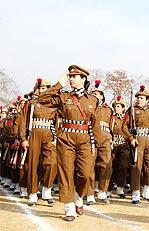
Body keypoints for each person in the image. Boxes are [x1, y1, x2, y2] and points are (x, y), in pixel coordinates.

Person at [37, 65, 100, 221]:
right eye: (70, 76)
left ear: (83, 79)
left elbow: (95, 124)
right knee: (66, 172)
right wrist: (58, 84)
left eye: (75, 76)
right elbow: (41, 99)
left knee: (86, 174)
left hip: (85, 139)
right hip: (66, 138)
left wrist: (95, 144)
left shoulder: (93, 100)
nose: (71, 78)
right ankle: (69, 208)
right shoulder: (63, 96)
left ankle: (78, 196)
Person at [20, 78, 58, 206]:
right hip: (34, 133)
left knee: (52, 163)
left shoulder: (54, 103)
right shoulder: (31, 103)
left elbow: (58, 122)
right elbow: (23, 121)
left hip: (49, 134)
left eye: (45, 88)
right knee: (33, 164)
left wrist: (56, 137)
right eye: (41, 88)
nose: (43, 90)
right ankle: (32, 194)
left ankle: (46, 190)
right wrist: (24, 139)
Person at [127, 85, 149, 204]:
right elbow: (125, 126)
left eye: (142, 98)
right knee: (136, 166)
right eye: (138, 97)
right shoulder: (132, 110)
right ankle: (135, 192)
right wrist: (131, 138)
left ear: (147, 99)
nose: (139, 99)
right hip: (137, 138)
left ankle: (147, 190)